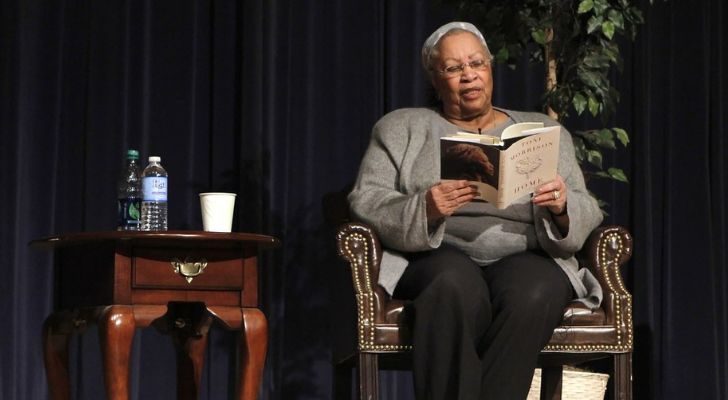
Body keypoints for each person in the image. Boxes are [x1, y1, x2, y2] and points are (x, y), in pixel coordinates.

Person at [348, 21, 604, 400]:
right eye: (453, 68)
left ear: (490, 68)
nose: (468, 76)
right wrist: (425, 207)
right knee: (451, 286)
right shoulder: (401, 128)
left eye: (476, 64)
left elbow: (588, 208)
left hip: (525, 252)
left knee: (534, 292)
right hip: (436, 253)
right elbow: (366, 200)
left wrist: (562, 208)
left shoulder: (542, 130)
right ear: (435, 80)